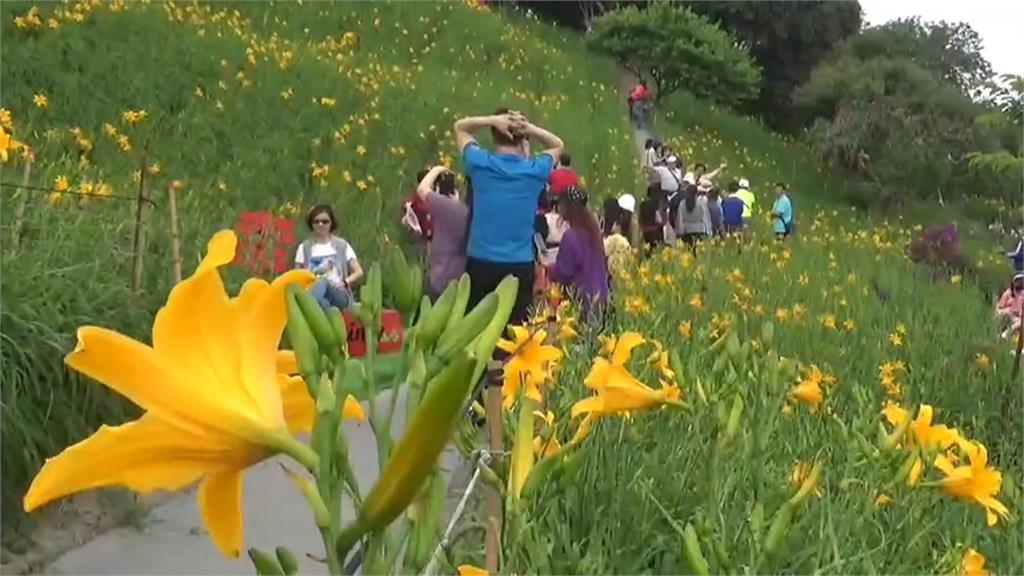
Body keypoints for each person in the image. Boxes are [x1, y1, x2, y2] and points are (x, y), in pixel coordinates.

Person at [454, 108, 564, 324]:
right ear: (524, 138)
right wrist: (528, 127)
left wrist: (490, 119)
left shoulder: (480, 163)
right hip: (518, 266)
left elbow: (460, 127)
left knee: (476, 334)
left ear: (494, 134)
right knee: (514, 337)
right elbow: (557, 144)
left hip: (481, 262)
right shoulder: (535, 171)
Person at [549, 186, 609, 323]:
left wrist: (549, 270)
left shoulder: (570, 237)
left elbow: (565, 274)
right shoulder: (594, 234)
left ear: (568, 207)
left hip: (582, 301)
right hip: (601, 297)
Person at [415, 166, 469, 299]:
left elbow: (422, 189)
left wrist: (437, 169)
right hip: (462, 283)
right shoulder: (469, 213)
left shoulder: (447, 209)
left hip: (439, 280)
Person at [295, 204, 363, 311]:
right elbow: (297, 275)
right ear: (311, 224)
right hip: (314, 291)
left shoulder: (342, 245)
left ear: (331, 223)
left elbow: (358, 271)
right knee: (324, 303)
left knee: (325, 280)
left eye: (325, 221)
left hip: (339, 294)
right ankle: (315, 305)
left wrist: (345, 282)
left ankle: (308, 304)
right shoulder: (304, 248)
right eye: (316, 221)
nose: (320, 224)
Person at [676, 184, 709, 252]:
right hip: (699, 230)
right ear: (696, 193)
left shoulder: (682, 204)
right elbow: (705, 218)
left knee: (688, 253)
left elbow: (680, 219)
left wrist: (680, 232)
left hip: (687, 232)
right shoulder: (701, 203)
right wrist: (707, 231)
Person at [639, 184, 666, 252]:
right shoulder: (655, 204)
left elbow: (640, 217)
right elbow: (659, 219)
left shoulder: (643, 204)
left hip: (645, 231)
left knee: (647, 251)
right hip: (655, 231)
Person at [996, 273, 1024, 339]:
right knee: (1005, 314)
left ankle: (1006, 333)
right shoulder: (1007, 293)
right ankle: (999, 333)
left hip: (1015, 317)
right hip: (1005, 315)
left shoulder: (1022, 296)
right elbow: (999, 308)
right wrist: (1007, 310)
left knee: (1020, 322)